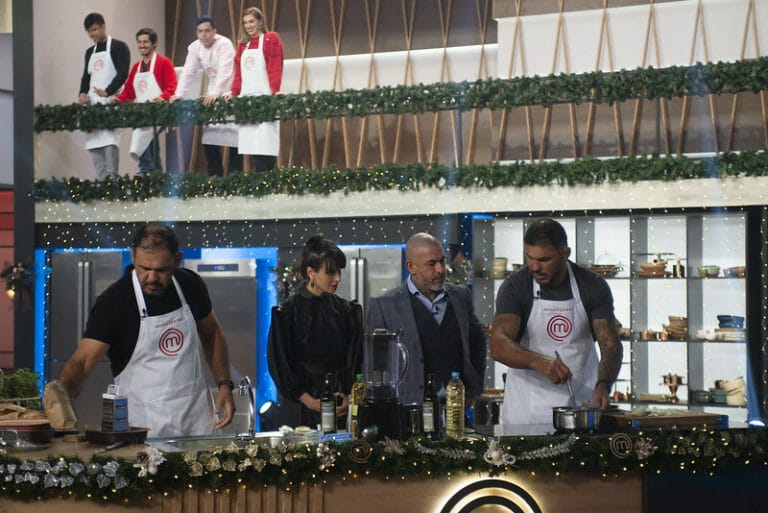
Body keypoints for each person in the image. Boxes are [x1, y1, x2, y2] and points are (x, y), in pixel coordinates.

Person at [56, 224, 235, 437]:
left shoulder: (189, 284)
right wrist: (59, 402)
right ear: (132, 256)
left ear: (176, 260)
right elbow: (82, 362)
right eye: (143, 269)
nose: (151, 278)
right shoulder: (114, 302)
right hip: (143, 428)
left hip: (198, 421)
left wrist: (224, 384)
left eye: (160, 270)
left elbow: (212, 333)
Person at [490, 218, 623, 425]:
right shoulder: (515, 286)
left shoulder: (592, 285)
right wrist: (538, 362)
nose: (534, 267)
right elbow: (498, 345)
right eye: (529, 258)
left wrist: (604, 384)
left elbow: (610, 344)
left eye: (544, 259)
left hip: (581, 405)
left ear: (565, 253)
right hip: (526, 411)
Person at [367, 233, 488, 405]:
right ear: (411, 266)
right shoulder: (384, 305)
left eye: (442, 261)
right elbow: (376, 365)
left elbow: (478, 340)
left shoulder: (460, 296)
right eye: (431, 264)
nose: (440, 269)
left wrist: (473, 386)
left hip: (453, 407)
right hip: (407, 407)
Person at [267, 235, 364, 429]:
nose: (338, 278)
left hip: (342, 407)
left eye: (339, 271)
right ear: (311, 272)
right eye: (330, 273)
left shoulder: (348, 312)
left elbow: (356, 360)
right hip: (301, 410)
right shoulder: (287, 313)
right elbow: (280, 365)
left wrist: (348, 398)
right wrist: (311, 402)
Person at [170, 16, 242, 176]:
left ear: (214, 32)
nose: (204, 35)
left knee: (234, 141)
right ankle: (214, 179)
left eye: (207, 31)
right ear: (197, 33)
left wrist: (216, 93)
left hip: (231, 92)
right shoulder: (194, 47)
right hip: (212, 94)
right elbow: (188, 73)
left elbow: (226, 72)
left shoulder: (224, 44)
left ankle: (235, 181)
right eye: (200, 31)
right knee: (211, 139)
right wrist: (178, 94)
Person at [226, 6, 283, 172]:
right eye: (245, 23)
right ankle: (261, 184)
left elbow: (275, 66)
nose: (248, 25)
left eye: (251, 21)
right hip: (246, 100)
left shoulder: (270, 38)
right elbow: (238, 74)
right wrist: (234, 93)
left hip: (265, 98)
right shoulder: (243, 45)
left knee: (266, 144)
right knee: (253, 146)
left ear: (260, 22)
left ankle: (268, 184)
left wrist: (275, 90)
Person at [113, 28, 177, 173]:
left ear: (154, 44)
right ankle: (156, 178)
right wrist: (118, 100)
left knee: (143, 143)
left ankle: (145, 173)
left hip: (159, 112)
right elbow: (129, 91)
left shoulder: (164, 62)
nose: (142, 45)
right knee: (150, 147)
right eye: (139, 42)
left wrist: (163, 97)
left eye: (145, 42)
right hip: (141, 114)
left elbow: (172, 85)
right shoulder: (136, 67)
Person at [78, 13, 130, 180]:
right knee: (94, 147)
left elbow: (123, 74)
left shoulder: (118, 47)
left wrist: (108, 91)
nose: (92, 34)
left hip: (110, 104)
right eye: (89, 32)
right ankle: (101, 188)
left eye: (94, 30)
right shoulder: (89, 52)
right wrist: (82, 93)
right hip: (92, 107)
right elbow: (86, 77)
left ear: (103, 26)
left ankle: (112, 187)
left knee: (110, 143)